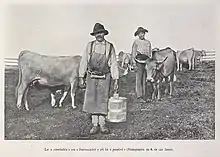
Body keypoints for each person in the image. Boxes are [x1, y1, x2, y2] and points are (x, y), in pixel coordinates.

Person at [79, 23, 119, 135]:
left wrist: (116, 79)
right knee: (92, 99)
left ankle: (102, 124)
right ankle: (94, 124)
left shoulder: (109, 46)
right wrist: (81, 76)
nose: (99, 35)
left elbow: (114, 63)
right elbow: (84, 61)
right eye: (97, 33)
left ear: (104, 33)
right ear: (94, 35)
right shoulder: (90, 46)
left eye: (101, 32)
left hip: (105, 76)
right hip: (91, 76)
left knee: (102, 99)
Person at [131, 27, 152, 102]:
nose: (141, 35)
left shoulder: (148, 42)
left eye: (142, 33)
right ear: (138, 35)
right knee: (139, 79)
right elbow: (133, 53)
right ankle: (139, 96)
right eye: (139, 33)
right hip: (138, 61)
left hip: (146, 62)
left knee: (145, 79)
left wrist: (149, 63)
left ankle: (145, 95)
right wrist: (134, 63)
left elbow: (150, 54)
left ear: (144, 33)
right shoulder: (136, 42)